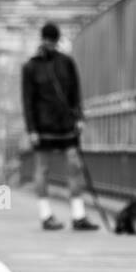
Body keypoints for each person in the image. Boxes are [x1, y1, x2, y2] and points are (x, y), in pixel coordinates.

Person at [21, 21, 98, 231]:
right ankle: (46, 215)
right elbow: (28, 100)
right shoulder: (30, 66)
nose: (50, 45)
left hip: (66, 124)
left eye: (52, 41)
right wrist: (32, 130)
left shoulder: (66, 62)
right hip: (44, 126)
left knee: (74, 166)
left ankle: (78, 215)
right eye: (48, 41)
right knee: (43, 170)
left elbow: (75, 92)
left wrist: (79, 118)